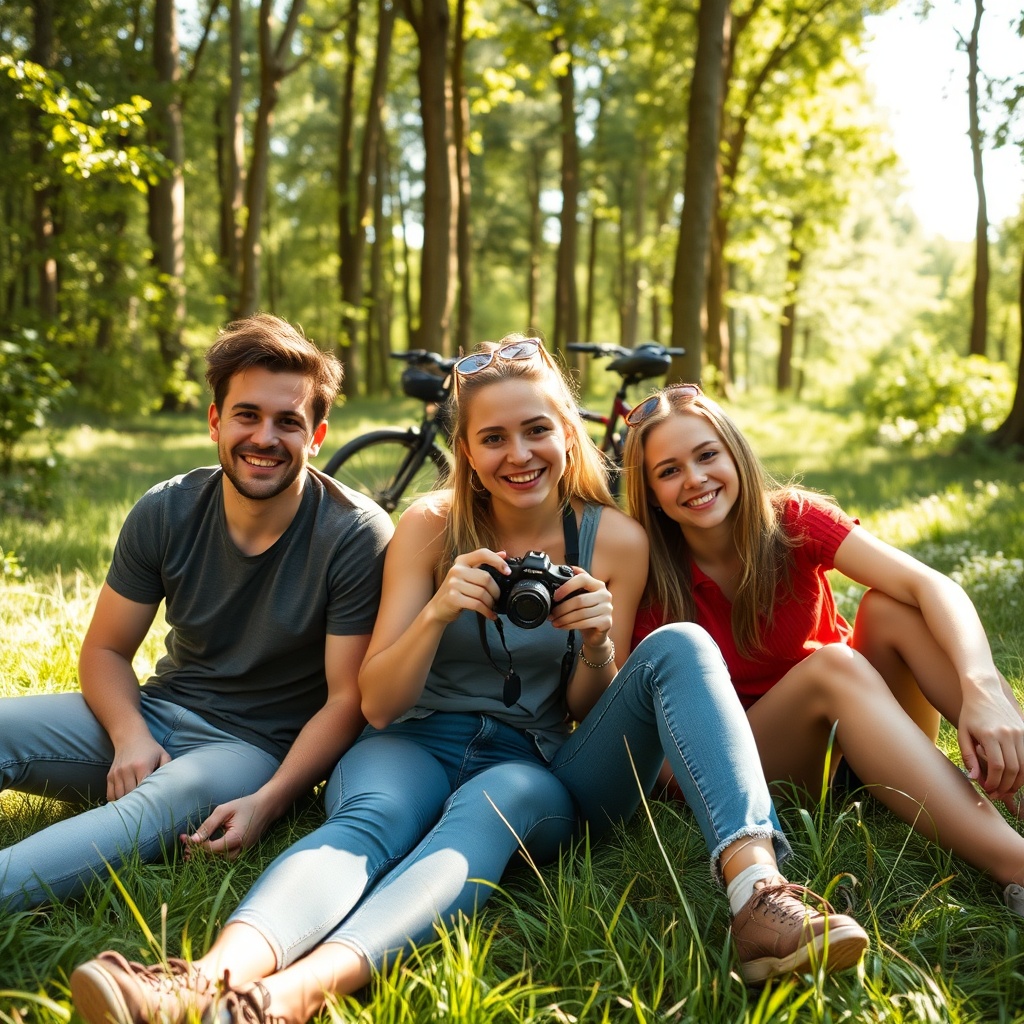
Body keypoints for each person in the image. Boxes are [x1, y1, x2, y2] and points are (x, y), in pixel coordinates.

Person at [71, 335, 867, 1024]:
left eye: (536, 431)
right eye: (493, 438)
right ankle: (205, 984)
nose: (517, 455)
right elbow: (377, 701)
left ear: (566, 436)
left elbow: (590, 708)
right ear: (468, 452)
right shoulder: (427, 525)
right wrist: (435, 611)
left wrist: (594, 646)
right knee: (361, 827)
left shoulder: (615, 540)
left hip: (539, 761)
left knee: (662, 666)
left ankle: (757, 894)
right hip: (412, 738)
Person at [0, 313, 392, 913]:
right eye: (247, 415)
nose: (264, 437)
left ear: (316, 436)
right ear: (215, 422)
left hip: (250, 750)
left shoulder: (354, 534)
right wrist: (130, 735)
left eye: (288, 422)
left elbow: (346, 700)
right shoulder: (166, 510)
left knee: (156, 804)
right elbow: (105, 649)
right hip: (154, 714)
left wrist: (273, 798)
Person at [621, 382, 1024, 918]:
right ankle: (1015, 864)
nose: (695, 479)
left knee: (891, 606)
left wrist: (982, 690)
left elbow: (933, 586)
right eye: (668, 471)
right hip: (761, 766)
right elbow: (645, 729)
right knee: (833, 666)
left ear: (735, 455)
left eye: (706, 455)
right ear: (649, 491)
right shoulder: (645, 570)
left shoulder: (791, 519)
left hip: (866, 730)